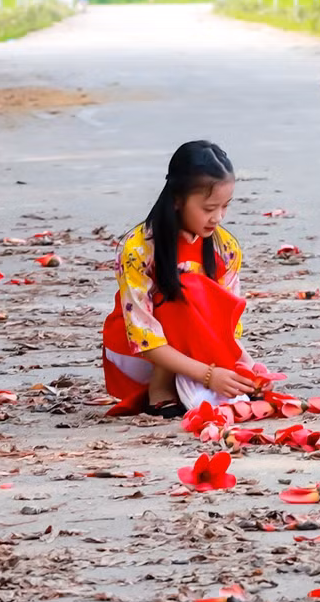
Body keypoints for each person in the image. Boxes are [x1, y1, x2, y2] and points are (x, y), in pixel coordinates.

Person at [101, 141, 258, 417]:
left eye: (225, 206)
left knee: (199, 293)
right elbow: (143, 337)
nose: (218, 218)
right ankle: (160, 389)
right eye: (209, 208)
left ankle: (189, 383)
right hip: (139, 354)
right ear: (176, 199)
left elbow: (226, 326)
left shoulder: (226, 248)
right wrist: (209, 375)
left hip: (198, 349)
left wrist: (249, 368)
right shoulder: (139, 248)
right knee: (186, 285)